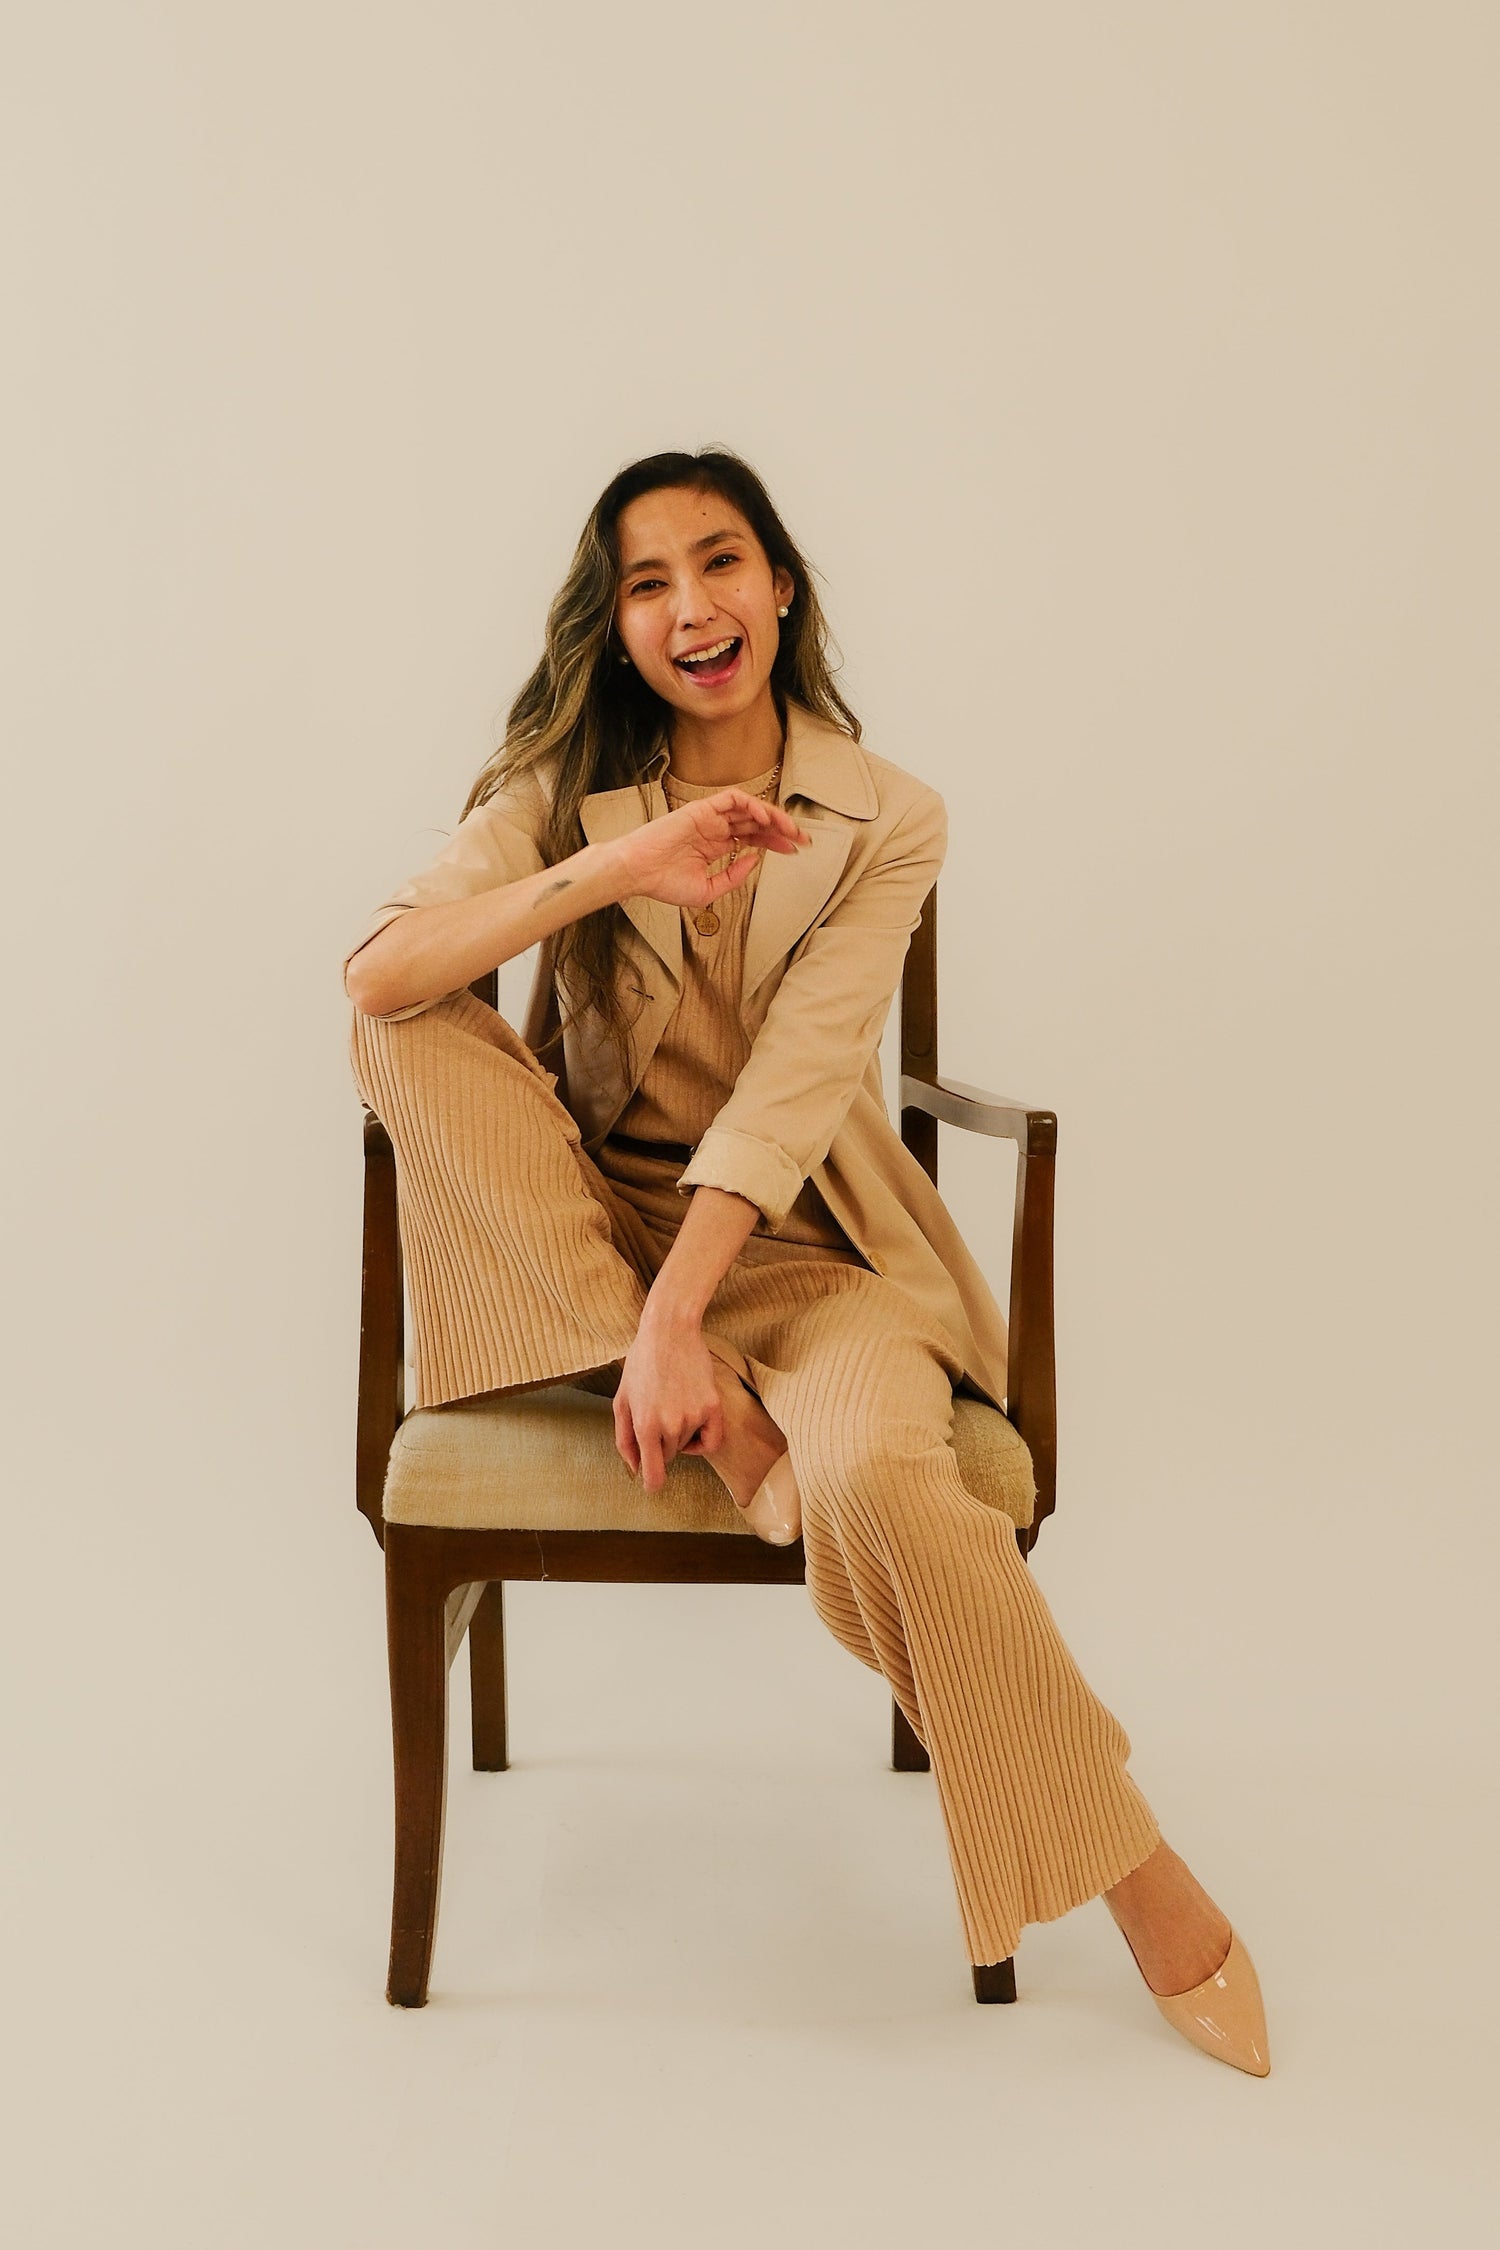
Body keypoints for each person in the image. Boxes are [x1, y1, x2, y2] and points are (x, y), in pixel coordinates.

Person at [342, 446, 1271, 2075]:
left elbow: (792, 1087)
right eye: (648, 582)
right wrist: (625, 860)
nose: (691, 606)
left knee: (885, 1485)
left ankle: (1126, 1862)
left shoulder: (886, 815)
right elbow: (381, 969)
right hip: (587, 1232)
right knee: (402, 1037)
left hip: (809, 1248)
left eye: (721, 563)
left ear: (781, 585)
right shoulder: (569, 789)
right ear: (617, 622)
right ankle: (668, 1362)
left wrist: (680, 1320)